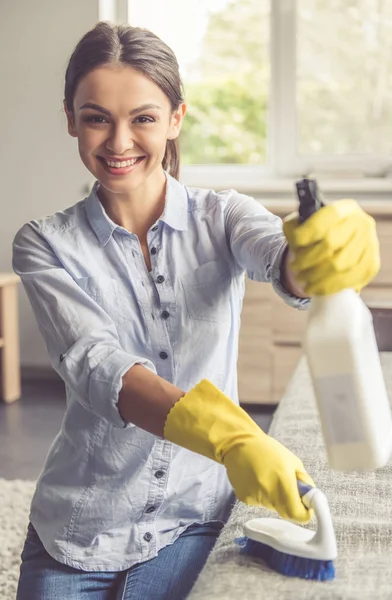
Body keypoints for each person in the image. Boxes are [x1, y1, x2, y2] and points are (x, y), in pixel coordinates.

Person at [14, 21, 380, 600]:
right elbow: (97, 365)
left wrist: (319, 257)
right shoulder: (43, 243)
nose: (119, 142)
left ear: (176, 119)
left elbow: (279, 257)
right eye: (97, 117)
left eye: (143, 118)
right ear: (70, 119)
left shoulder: (223, 216)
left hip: (193, 516)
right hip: (78, 525)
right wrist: (232, 437)